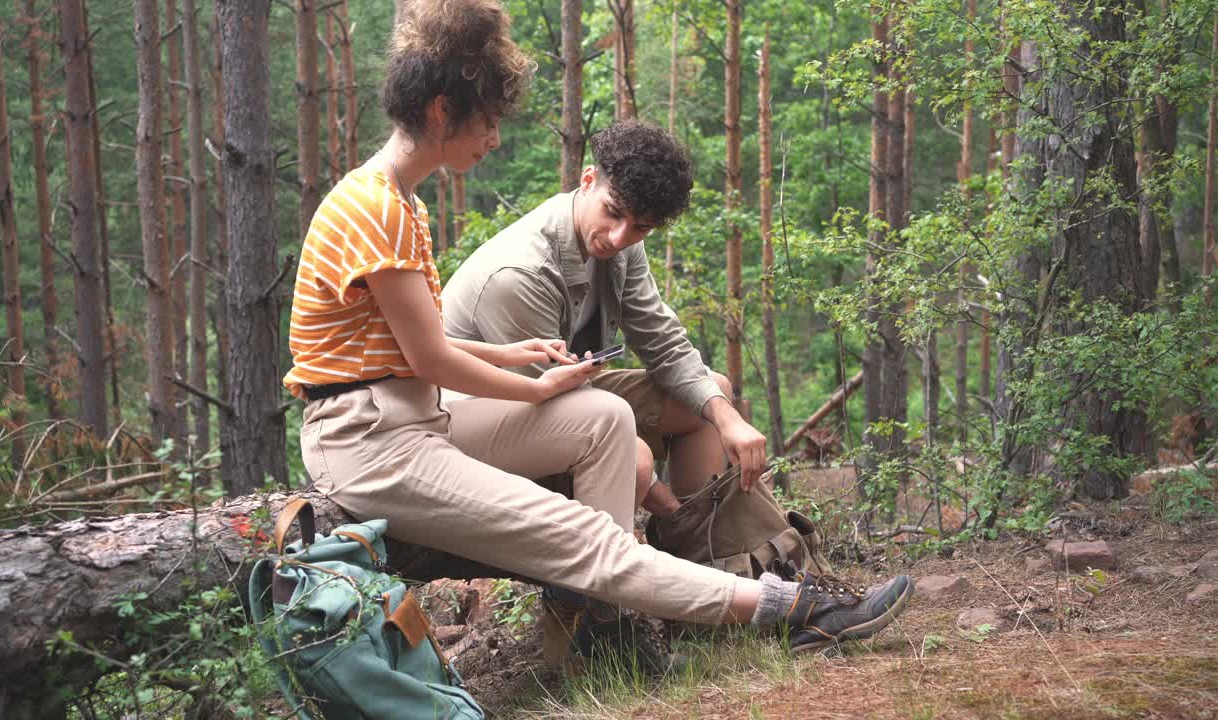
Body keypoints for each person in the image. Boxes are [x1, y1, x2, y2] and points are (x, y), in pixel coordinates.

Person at [285, 0, 913, 674]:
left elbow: (408, 345)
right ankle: (793, 608)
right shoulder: (379, 207)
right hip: (370, 445)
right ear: (443, 112)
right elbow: (429, 357)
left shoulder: (397, 201)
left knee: (606, 416)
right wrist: (538, 383)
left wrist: (506, 357)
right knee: (587, 534)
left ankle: (607, 632)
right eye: (489, 120)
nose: (493, 137)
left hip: (410, 417)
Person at [442, 120, 765, 519]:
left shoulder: (624, 244)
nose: (618, 237)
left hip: (557, 393)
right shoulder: (520, 273)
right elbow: (543, 393)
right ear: (588, 179)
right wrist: (657, 495)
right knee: (635, 457)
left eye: (640, 227)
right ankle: (593, 577)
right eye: (613, 213)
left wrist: (728, 417)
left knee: (710, 396)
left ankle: (707, 557)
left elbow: (662, 341)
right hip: (467, 421)